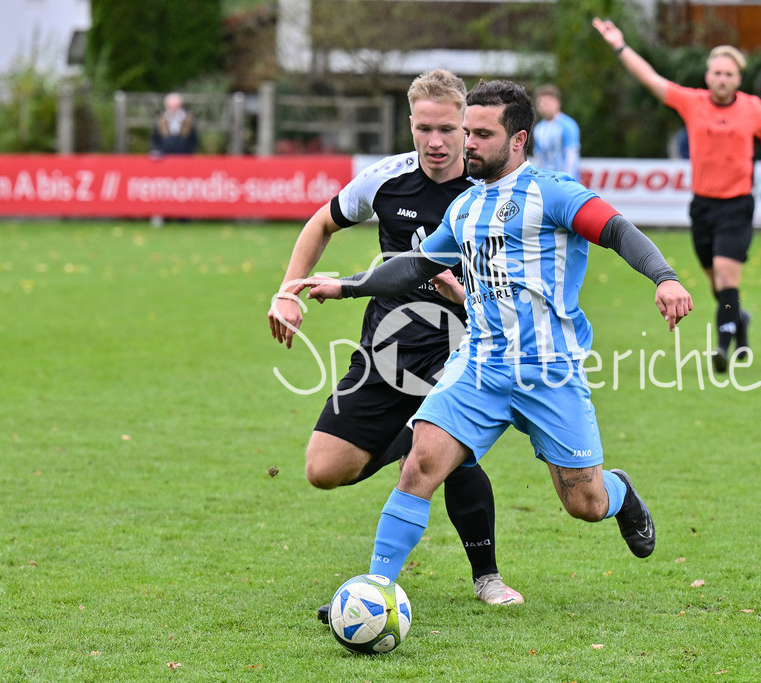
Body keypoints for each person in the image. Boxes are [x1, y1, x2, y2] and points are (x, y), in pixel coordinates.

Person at [292, 80, 693, 590]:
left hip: (550, 371)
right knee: (419, 466)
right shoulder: (465, 208)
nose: (468, 143)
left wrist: (665, 277)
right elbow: (415, 266)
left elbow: (616, 229)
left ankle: (621, 493)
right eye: (467, 131)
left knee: (584, 503)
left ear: (519, 139)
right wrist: (347, 287)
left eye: (481, 134)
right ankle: (376, 594)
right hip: (480, 365)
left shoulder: (554, 193)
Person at [267, 70, 523, 610]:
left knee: (454, 455)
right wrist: (287, 292)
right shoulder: (387, 180)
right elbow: (321, 223)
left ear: (468, 129)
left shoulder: (492, 192)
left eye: (449, 130)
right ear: (410, 124)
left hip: (463, 352)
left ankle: (488, 577)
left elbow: (516, 290)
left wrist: (460, 297)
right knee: (324, 470)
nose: (436, 142)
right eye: (425, 128)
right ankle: (414, 441)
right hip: (386, 351)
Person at [593, 18, 761, 372]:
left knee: (727, 277)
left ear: (738, 79)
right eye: (716, 73)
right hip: (702, 207)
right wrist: (620, 45)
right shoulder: (692, 102)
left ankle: (722, 346)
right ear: (707, 76)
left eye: (728, 74)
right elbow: (651, 80)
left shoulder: (754, 109)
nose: (721, 79)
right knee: (719, 287)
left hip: (737, 205)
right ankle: (739, 321)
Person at [531, 84, 582, 180]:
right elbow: (538, 158)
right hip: (546, 182)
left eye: (548, 102)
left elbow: (571, 157)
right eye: (541, 103)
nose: (544, 106)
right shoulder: (538, 128)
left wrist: (567, 181)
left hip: (565, 183)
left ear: (557, 103)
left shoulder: (568, 125)